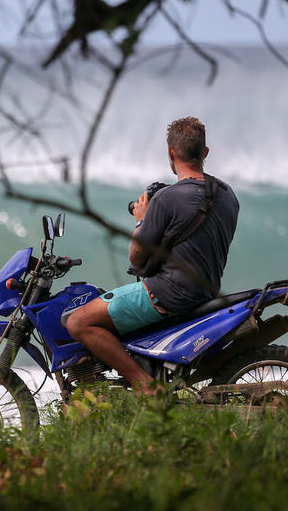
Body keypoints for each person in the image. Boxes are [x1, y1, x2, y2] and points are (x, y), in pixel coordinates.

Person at [65, 116, 239, 394]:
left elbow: (136, 258)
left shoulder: (166, 198)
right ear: (205, 153)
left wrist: (141, 219)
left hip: (167, 294)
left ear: (171, 153)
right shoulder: (228, 195)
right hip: (205, 293)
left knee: (78, 321)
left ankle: (145, 386)